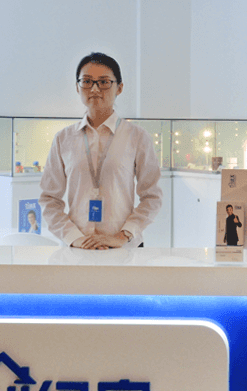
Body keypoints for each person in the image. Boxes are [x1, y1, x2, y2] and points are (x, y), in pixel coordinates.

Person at [39, 52, 163, 250]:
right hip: (78, 247)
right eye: (87, 81)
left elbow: (152, 197)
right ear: (77, 87)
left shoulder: (137, 136)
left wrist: (123, 235)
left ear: (119, 88)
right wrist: (73, 237)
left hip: (124, 247)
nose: (95, 89)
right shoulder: (64, 138)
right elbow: (49, 199)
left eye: (104, 82)